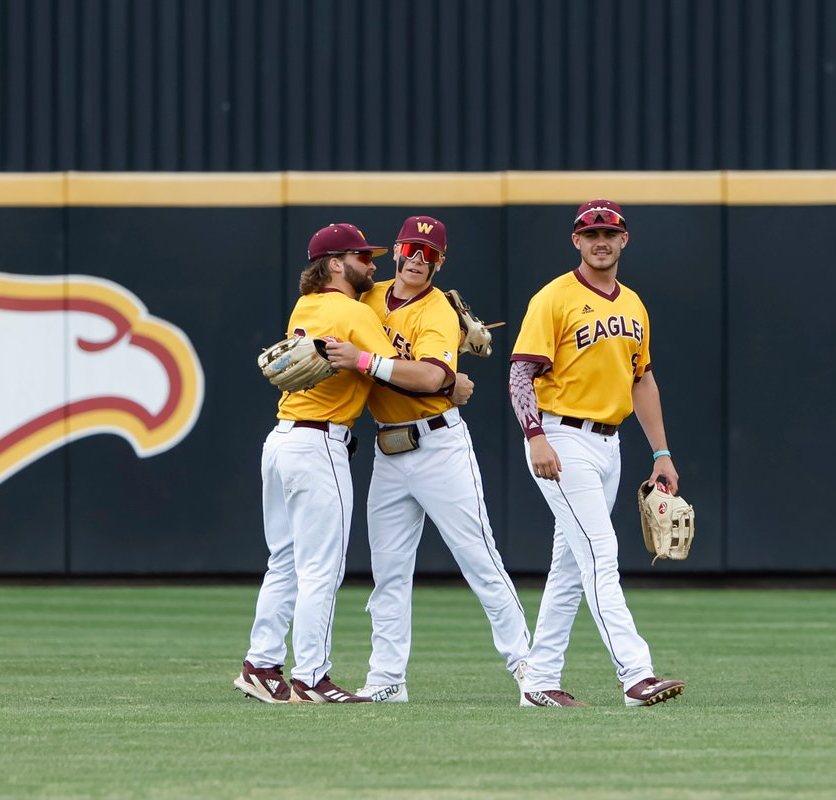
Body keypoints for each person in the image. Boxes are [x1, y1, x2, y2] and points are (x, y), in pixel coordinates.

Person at [235, 223, 452, 705]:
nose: (372, 266)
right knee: (322, 569)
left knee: (285, 561)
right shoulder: (352, 311)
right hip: (319, 444)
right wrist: (451, 382)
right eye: (362, 258)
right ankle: (312, 678)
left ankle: (262, 664)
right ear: (336, 264)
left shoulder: (306, 306)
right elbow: (399, 371)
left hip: (282, 440)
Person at [328, 216, 530, 703]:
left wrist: (370, 363)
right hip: (387, 447)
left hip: (438, 444)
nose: (419, 259)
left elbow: (429, 377)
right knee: (389, 571)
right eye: (412, 248)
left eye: (430, 252)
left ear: (441, 262)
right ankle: (386, 679)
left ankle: (531, 670)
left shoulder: (437, 309)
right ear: (396, 250)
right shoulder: (367, 297)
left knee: (479, 558)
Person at [508, 200, 686, 709]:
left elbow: (643, 378)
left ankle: (539, 681)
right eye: (591, 233)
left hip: (610, 443)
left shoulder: (633, 304)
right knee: (600, 553)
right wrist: (535, 435)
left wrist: (662, 452)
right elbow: (521, 373)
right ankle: (636, 674)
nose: (601, 240)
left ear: (624, 239)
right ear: (576, 241)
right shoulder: (554, 298)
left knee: (569, 567)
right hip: (561, 440)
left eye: (609, 232)